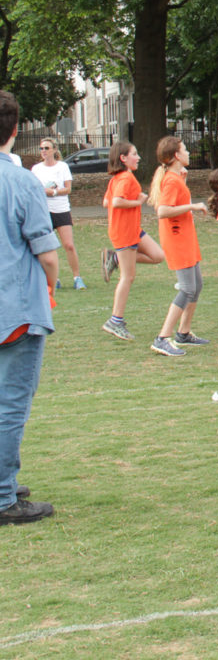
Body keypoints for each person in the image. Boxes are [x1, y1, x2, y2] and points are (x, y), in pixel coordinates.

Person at [0, 91, 60, 524]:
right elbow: (48, 255)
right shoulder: (22, 182)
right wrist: (49, 288)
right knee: (11, 405)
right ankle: (3, 497)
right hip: (15, 310)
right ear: (17, 130)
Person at [146, 136, 210, 356]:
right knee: (187, 288)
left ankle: (184, 332)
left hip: (185, 238)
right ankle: (162, 338)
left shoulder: (175, 178)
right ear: (176, 155)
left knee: (197, 285)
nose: (188, 153)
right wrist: (192, 206)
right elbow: (163, 211)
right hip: (177, 240)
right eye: (184, 150)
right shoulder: (171, 181)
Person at [100, 142, 164, 341]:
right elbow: (116, 202)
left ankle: (115, 258)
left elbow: (106, 202)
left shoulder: (118, 178)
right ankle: (115, 321)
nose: (138, 158)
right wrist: (138, 202)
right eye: (134, 154)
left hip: (133, 229)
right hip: (124, 232)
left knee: (158, 255)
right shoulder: (125, 178)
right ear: (123, 158)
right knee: (127, 277)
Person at [31, 138, 85, 290]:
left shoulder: (62, 167)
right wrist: (43, 191)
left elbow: (68, 189)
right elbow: (33, 189)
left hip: (61, 209)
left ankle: (77, 278)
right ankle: (54, 279)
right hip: (44, 211)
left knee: (69, 245)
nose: (43, 151)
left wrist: (54, 192)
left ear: (54, 150)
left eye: (46, 148)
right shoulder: (36, 169)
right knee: (48, 247)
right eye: (41, 148)